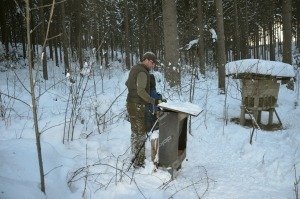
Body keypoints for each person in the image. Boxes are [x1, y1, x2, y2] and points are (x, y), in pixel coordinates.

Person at [125, 52, 162, 168]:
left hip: (131, 103)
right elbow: (141, 91)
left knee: (135, 132)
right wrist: (152, 100)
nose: (152, 65)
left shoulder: (134, 69)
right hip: (137, 105)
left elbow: (128, 83)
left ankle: (134, 155)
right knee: (140, 134)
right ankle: (139, 162)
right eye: (152, 62)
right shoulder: (142, 72)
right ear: (146, 60)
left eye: (154, 63)